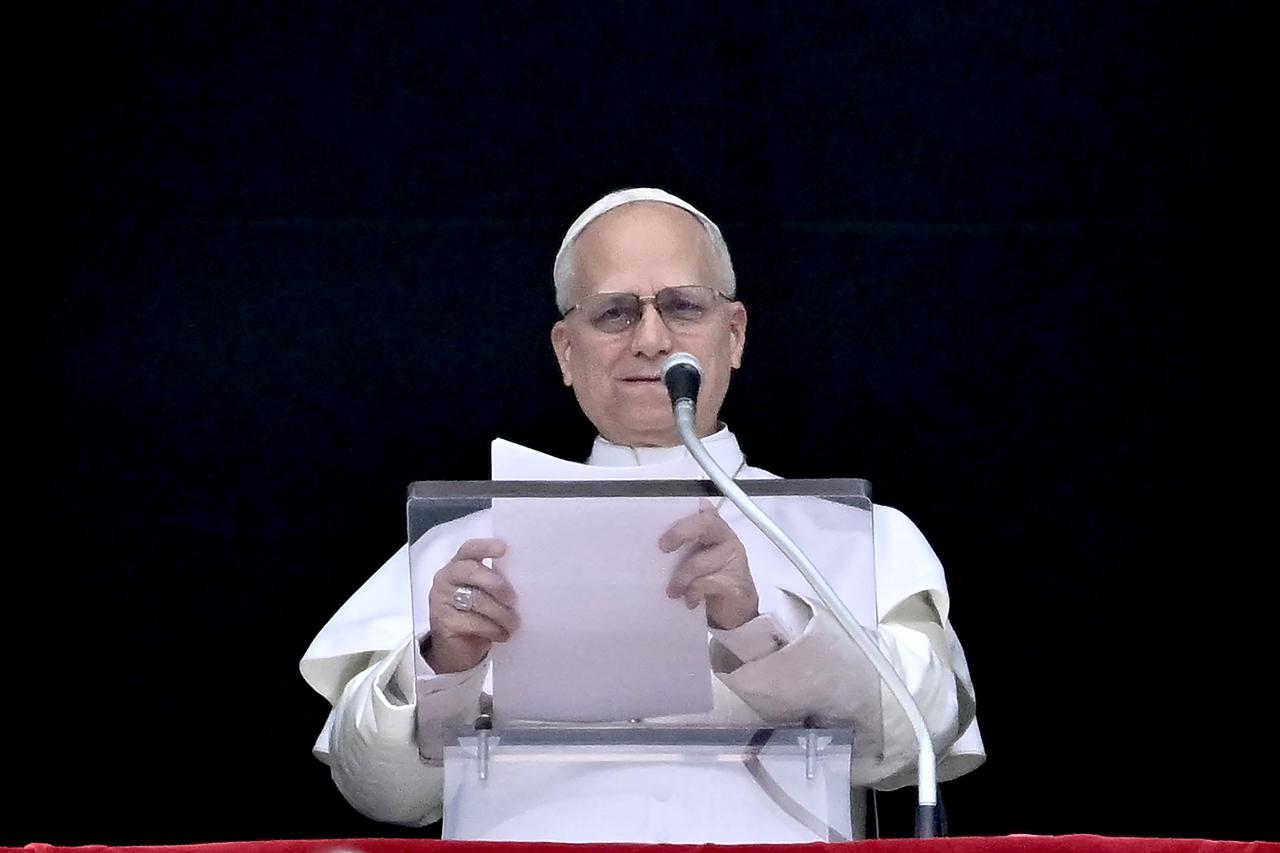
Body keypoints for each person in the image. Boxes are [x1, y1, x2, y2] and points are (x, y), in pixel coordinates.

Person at [300, 188, 984, 840]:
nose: (652, 339)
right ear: (566, 352)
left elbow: (919, 739)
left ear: (735, 334)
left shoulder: (852, 533)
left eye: (684, 306)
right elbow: (380, 792)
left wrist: (759, 622)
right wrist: (443, 663)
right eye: (614, 312)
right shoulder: (464, 554)